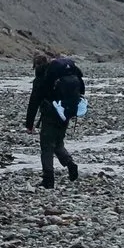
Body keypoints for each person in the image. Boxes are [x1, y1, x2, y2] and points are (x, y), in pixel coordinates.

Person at [24, 52, 86, 187]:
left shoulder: (42, 78)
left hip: (50, 115)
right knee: (58, 143)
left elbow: (34, 101)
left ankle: (48, 180)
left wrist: (29, 124)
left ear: (36, 65)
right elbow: (81, 91)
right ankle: (70, 165)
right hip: (66, 112)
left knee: (46, 147)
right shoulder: (63, 73)